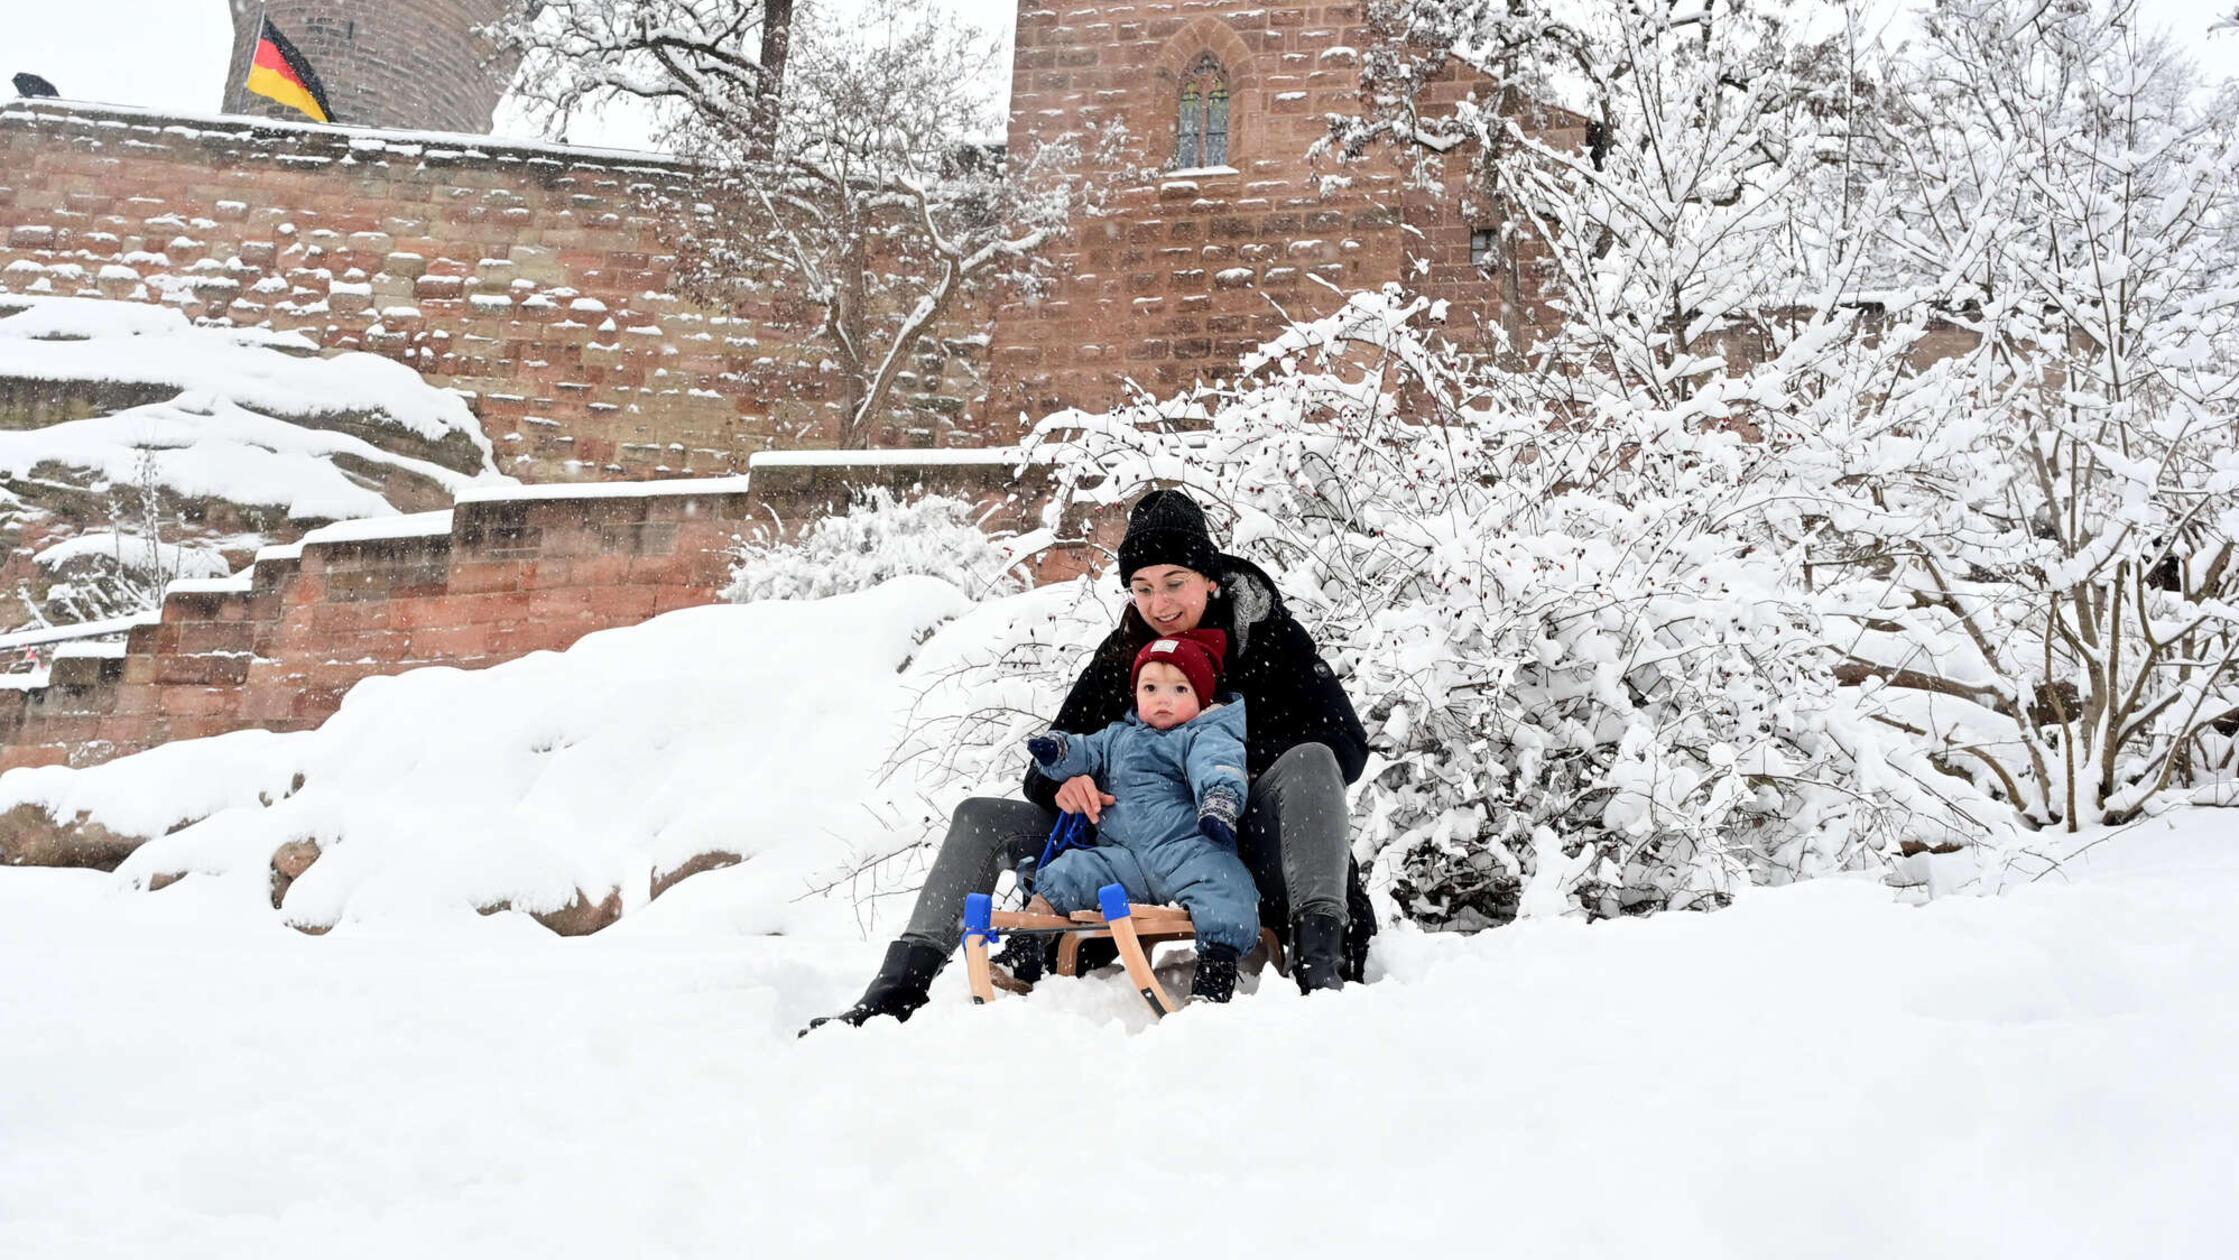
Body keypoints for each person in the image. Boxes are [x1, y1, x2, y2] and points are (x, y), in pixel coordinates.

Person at [806, 489, 1372, 1032]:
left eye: (1175, 583)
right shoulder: (1125, 653)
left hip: (1240, 841)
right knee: (980, 816)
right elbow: (1050, 755)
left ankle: (1318, 962)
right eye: (1143, 588)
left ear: (1211, 579)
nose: (1160, 604)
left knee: (1313, 758)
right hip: (1127, 848)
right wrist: (1067, 782)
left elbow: (1345, 746)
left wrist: (1213, 769)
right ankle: (897, 989)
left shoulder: (1266, 639)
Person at [1022, 627, 1258, 1004]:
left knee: (1223, 881)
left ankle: (1217, 966)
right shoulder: (1118, 736)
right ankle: (1029, 941)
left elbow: (1217, 766)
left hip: (1184, 849)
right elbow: (1086, 751)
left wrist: (1219, 800)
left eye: (1179, 690)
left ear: (1201, 696)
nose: (1162, 700)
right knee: (1071, 870)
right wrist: (1058, 751)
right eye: (1150, 689)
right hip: (1122, 858)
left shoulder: (1203, 734)